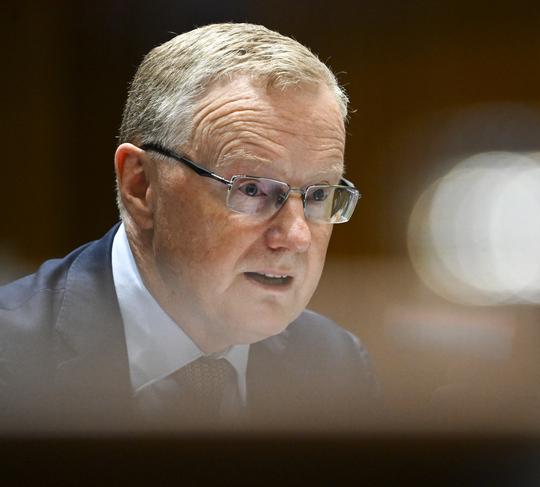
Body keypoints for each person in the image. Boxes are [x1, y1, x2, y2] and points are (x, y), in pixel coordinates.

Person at [0, 23, 377, 432]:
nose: (296, 236)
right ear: (141, 186)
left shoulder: (334, 366)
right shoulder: (11, 363)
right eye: (251, 188)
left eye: (319, 195)